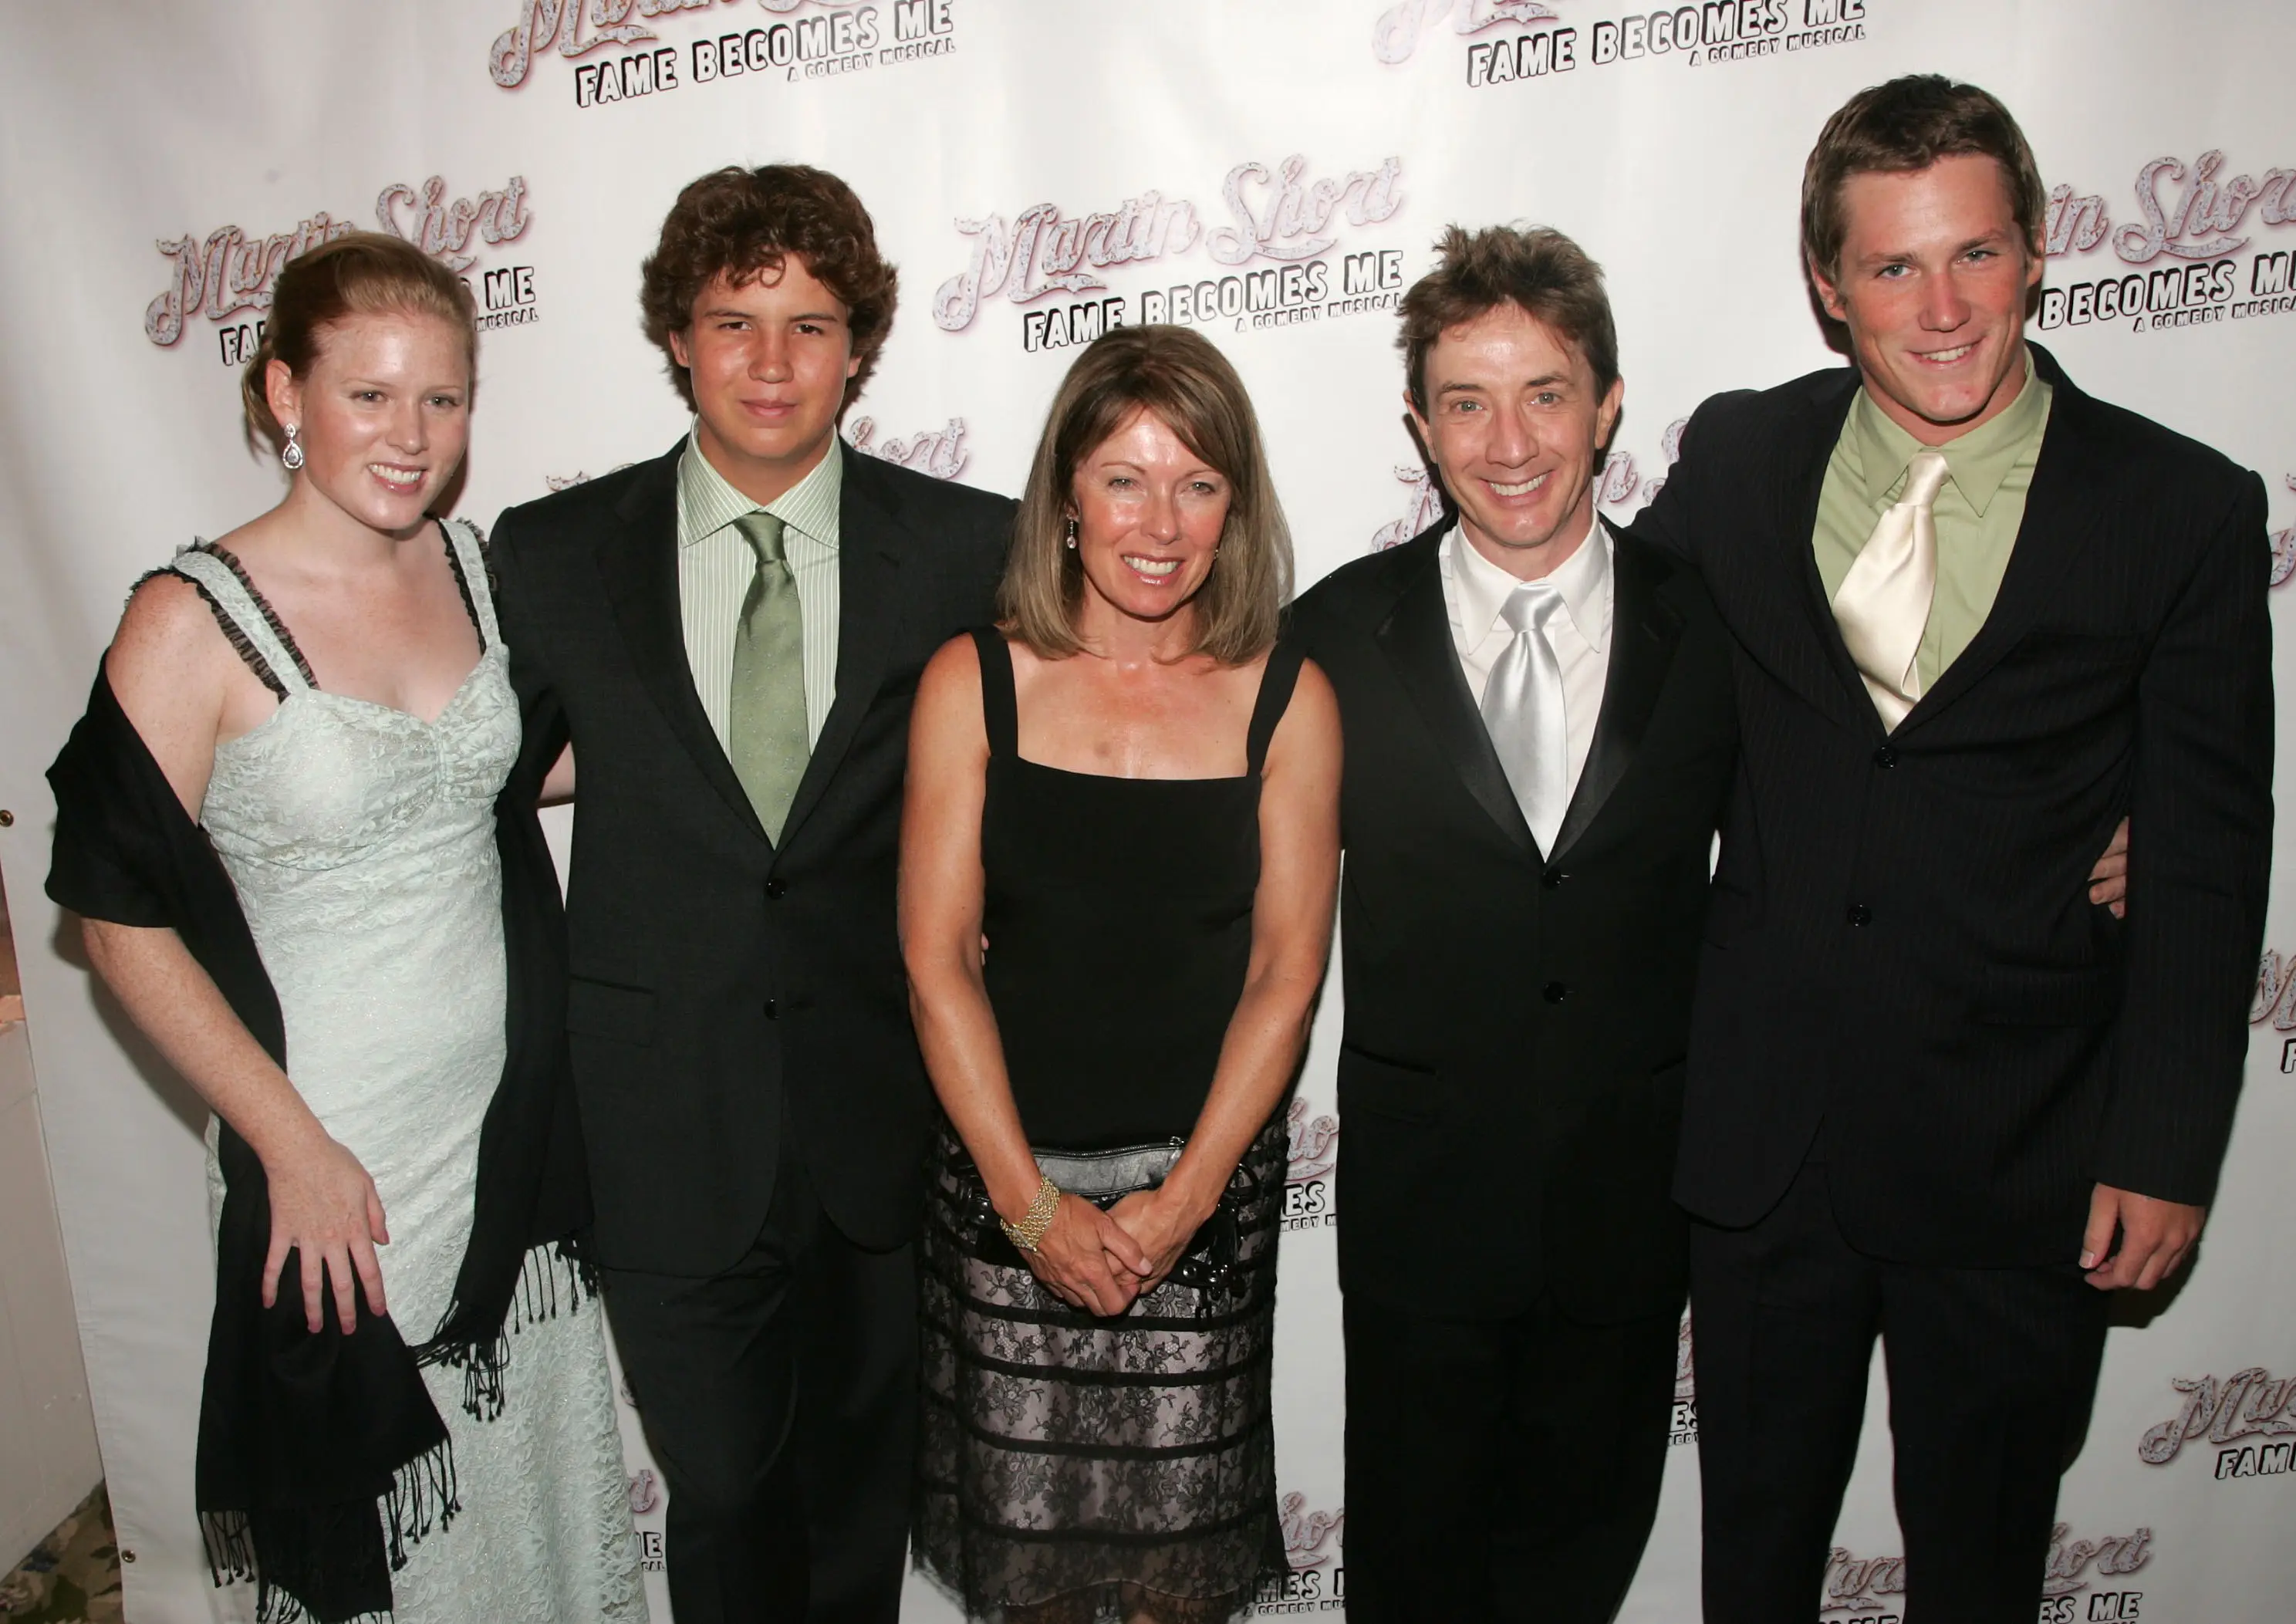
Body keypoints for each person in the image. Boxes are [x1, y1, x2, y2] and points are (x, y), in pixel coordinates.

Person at [1624, 76, 2274, 1621]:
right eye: (1897, 267)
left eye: (1976, 254)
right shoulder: (1740, 457)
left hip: (2020, 1143)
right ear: (1828, 285)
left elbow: (2209, 850)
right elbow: (1608, 684)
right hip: (1767, 1141)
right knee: (1753, 1562)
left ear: (2040, 250)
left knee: (1983, 1568)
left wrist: (2164, 1147)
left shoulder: (2177, 505)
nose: (1942, 308)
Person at [45, 233, 643, 1623]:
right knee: (388, 1551)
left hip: (511, 1144)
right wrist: (288, 1144)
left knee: (528, 1517)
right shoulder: (190, 619)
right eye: (368, 395)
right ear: (282, 395)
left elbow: (519, 771)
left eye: (442, 399)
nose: (410, 436)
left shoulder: (476, 570)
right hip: (336, 1156)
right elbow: (113, 915)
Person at [485, 164, 1015, 1624]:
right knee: (719, 1501)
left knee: (860, 1508)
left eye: (810, 323)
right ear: (678, 337)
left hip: (886, 1124)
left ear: (860, 345)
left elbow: (1046, 794)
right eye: (734, 320)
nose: (771, 362)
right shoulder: (553, 558)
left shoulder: (970, 549)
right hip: (663, 1124)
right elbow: (469, 801)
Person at [1290, 227, 1736, 1621]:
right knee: (1413, 1583)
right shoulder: (1330, 637)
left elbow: (1858, 814)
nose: (1510, 441)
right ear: (1420, 426)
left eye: (1545, 392)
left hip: (1634, 1199)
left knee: (1579, 1572)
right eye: (1467, 402)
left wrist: (2081, 834)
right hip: (1425, 1219)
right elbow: (1208, 862)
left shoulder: (1719, 623)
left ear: (1608, 404)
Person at [900, 323, 1341, 1624]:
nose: (1161, 521)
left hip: (1195, 1221)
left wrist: (1187, 1200)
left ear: (1236, 507)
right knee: (1030, 1586)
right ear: (1067, 496)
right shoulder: (973, 681)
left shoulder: (1287, 697)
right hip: (1003, 1202)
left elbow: (1285, 973)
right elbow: (936, 966)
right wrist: (1031, 1209)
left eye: (1199, 483)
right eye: (1126, 479)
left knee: (1171, 1589)